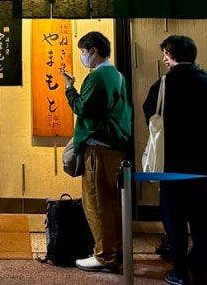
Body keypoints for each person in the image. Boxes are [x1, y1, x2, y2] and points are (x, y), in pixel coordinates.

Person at [143, 35, 207, 285]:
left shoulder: (164, 83)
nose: (164, 59)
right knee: (199, 217)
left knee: (174, 219)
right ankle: (200, 268)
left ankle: (179, 271)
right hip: (202, 163)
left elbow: (150, 113)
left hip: (172, 163)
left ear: (171, 54)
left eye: (165, 54)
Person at [61, 31, 131, 274]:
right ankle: (116, 249)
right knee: (111, 202)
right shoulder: (117, 76)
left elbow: (84, 109)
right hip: (115, 146)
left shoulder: (98, 77)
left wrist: (69, 88)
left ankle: (104, 256)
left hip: (98, 147)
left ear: (94, 50)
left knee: (97, 203)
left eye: (83, 51)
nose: (82, 56)